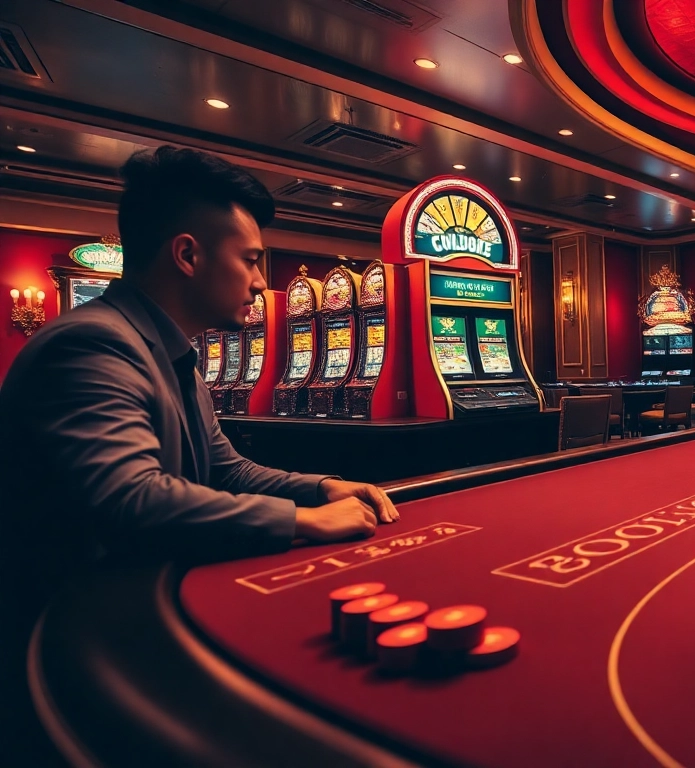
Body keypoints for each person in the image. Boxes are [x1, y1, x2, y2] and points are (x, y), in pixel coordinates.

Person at [0, 147, 398, 764]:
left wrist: (321, 487)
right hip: (62, 658)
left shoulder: (166, 348)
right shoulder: (91, 345)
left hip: (125, 610)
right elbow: (128, 497)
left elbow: (224, 468)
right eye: (251, 261)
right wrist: (303, 523)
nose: (263, 283)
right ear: (187, 255)